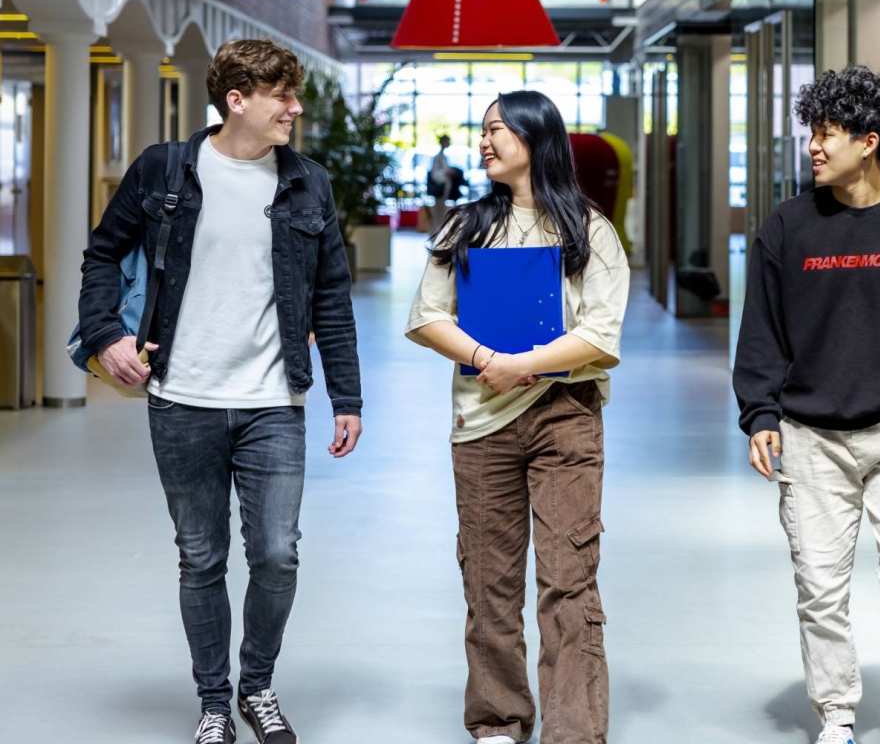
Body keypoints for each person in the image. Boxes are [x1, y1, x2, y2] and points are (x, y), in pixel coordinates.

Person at [77, 39, 364, 744]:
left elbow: (331, 294)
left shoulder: (308, 183)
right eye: (282, 96)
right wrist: (104, 333)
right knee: (200, 556)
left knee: (276, 552)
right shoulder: (165, 170)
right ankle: (213, 702)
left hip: (274, 400)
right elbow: (103, 252)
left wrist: (347, 396)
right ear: (237, 100)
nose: (295, 108)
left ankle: (256, 687)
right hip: (183, 397)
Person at [733, 65, 880, 744]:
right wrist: (762, 415)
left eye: (828, 135)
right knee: (820, 585)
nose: (813, 146)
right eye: (812, 132)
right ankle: (836, 713)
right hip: (810, 436)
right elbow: (762, 333)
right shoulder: (786, 229)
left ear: (869, 142)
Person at [406, 91, 630, 744]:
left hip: (566, 418)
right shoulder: (465, 226)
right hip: (481, 427)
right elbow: (426, 314)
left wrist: (522, 364)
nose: (484, 141)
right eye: (481, 131)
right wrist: (486, 359)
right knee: (489, 582)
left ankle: (574, 731)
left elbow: (602, 334)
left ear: (537, 138)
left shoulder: (590, 230)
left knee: (569, 582)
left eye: (497, 129)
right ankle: (499, 722)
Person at [428, 133, 453, 234]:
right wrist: (446, 174)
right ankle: (435, 231)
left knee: (441, 210)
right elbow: (435, 174)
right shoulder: (437, 157)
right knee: (438, 210)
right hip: (440, 189)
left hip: (444, 190)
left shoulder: (443, 157)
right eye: (447, 141)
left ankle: (439, 231)